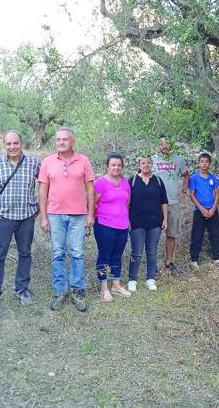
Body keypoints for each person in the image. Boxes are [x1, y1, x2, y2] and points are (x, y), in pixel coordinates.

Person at [0, 131, 40, 311]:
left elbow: (46, 183)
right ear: (5, 145)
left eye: (16, 143)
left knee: (25, 253)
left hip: (26, 217)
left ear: (22, 144)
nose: (12, 147)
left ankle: (22, 289)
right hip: (3, 217)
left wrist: (40, 205)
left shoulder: (34, 163)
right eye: (9, 144)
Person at [39, 127, 94, 312]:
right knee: (57, 253)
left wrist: (90, 214)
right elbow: (43, 191)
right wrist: (43, 217)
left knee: (77, 253)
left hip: (78, 215)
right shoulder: (48, 162)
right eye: (58, 139)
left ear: (72, 142)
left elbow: (90, 189)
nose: (61, 142)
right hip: (55, 215)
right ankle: (60, 292)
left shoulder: (83, 161)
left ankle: (77, 291)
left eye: (65, 139)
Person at [93, 154, 132, 301]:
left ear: (122, 167)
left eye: (119, 165)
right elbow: (92, 204)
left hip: (122, 226)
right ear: (107, 166)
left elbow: (127, 203)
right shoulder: (100, 183)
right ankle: (104, 288)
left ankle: (116, 285)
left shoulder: (125, 183)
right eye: (113, 165)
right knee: (105, 255)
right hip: (104, 226)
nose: (116, 168)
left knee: (117, 256)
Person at [127, 157, 168, 292]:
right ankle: (132, 279)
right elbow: (126, 203)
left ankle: (150, 278)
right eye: (143, 163)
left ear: (152, 165)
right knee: (136, 252)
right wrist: (127, 220)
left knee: (152, 252)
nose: (146, 165)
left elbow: (164, 202)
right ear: (139, 165)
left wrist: (165, 219)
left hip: (155, 223)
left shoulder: (157, 181)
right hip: (136, 222)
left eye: (148, 163)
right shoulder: (132, 181)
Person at [152, 135, 189, 275]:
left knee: (171, 233)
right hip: (155, 204)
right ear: (158, 145)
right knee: (154, 234)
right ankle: (152, 265)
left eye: (167, 144)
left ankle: (169, 262)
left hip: (173, 202)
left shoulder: (178, 159)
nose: (164, 146)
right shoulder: (153, 159)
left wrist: (183, 191)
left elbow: (186, 175)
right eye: (161, 144)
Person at [188, 153, 219, 269]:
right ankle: (194, 260)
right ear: (199, 163)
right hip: (199, 211)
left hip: (212, 211)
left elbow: (217, 193)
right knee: (197, 235)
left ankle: (217, 258)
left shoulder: (212, 177)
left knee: (215, 234)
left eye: (206, 161)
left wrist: (213, 208)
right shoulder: (194, 178)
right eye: (202, 161)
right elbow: (192, 195)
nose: (204, 163)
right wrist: (202, 209)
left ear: (209, 163)